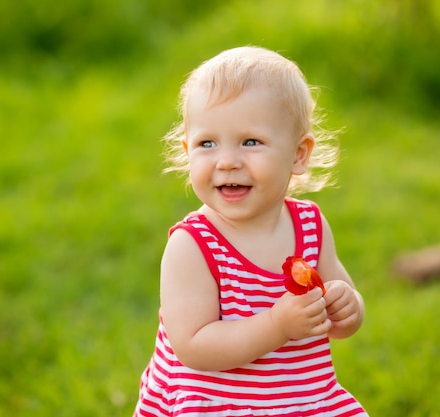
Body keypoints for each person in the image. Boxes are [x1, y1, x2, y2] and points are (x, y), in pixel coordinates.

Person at [133, 46, 368, 416]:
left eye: (250, 142)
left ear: (298, 154)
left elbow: (337, 310)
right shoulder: (192, 246)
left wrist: (346, 306)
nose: (227, 161)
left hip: (301, 400)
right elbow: (193, 346)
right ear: (187, 149)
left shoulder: (310, 227)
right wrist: (277, 324)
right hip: (217, 404)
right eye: (206, 143)